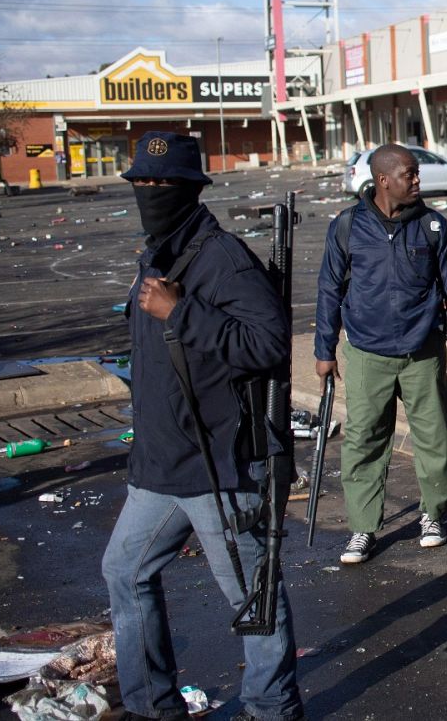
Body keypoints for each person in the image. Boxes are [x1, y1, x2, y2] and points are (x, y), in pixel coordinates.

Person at [102, 132, 303, 721]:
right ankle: (151, 706)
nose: (150, 191)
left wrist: (180, 312)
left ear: (191, 189)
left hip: (218, 466)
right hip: (161, 464)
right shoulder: (157, 254)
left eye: (162, 183)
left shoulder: (222, 258)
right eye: (141, 182)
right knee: (124, 572)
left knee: (252, 595)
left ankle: (271, 708)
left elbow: (268, 345)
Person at [315, 144, 447, 564]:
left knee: (437, 436)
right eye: (410, 174)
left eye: (417, 173)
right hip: (366, 353)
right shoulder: (347, 226)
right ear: (383, 180)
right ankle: (363, 528)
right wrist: (324, 349)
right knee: (364, 440)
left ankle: (432, 514)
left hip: (422, 351)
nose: (417, 181)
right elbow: (329, 290)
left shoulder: (433, 226)